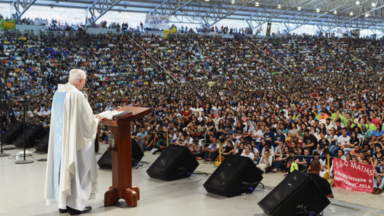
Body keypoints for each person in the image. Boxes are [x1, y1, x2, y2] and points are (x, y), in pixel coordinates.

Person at [45, 69, 104, 215]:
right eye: (84, 82)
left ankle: (63, 203)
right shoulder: (77, 95)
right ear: (81, 81)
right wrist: (97, 119)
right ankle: (76, 206)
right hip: (75, 141)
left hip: (61, 140)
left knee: (62, 168)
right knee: (79, 169)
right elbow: (86, 122)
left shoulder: (59, 92)